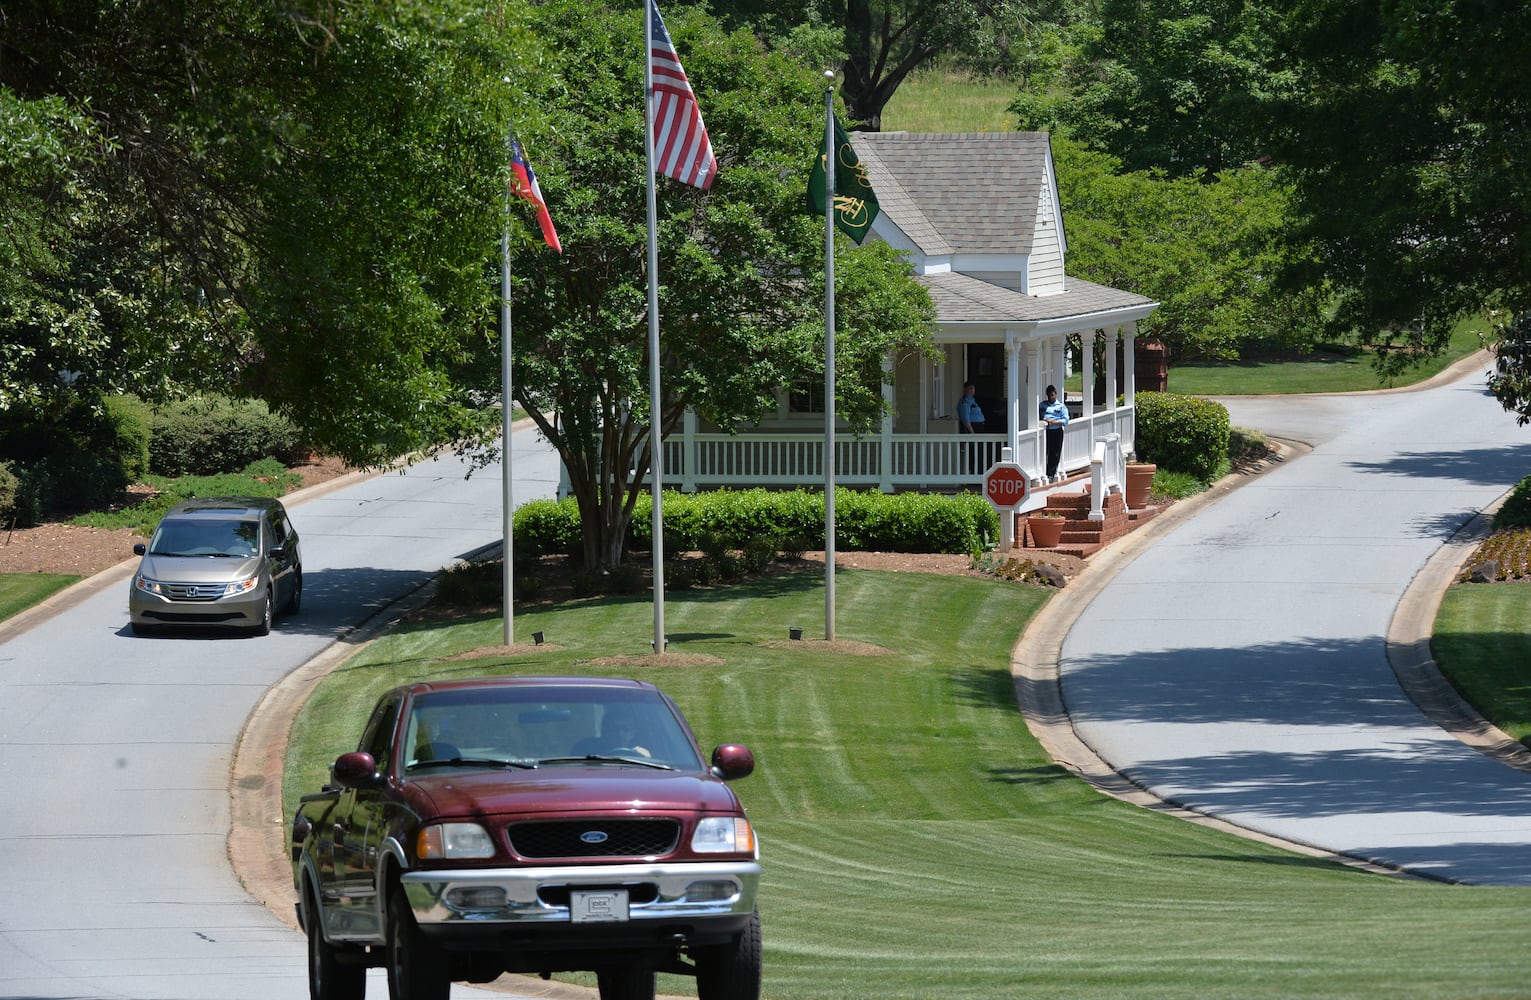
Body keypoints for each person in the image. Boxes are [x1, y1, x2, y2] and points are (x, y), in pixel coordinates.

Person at [1039, 384, 1069, 482]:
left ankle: (1051, 474)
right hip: (1046, 431)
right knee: (1044, 452)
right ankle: (1043, 471)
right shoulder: (1043, 405)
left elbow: (1065, 421)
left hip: (1056, 431)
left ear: (1055, 394)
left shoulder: (1061, 406)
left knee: (1055, 453)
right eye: (1049, 395)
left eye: (1052, 395)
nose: (1051, 397)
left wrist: (1053, 422)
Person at [956, 382, 986, 474]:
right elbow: (965, 419)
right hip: (972, 428)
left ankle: (979, 473)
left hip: (979, 427)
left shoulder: (972, 400)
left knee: (980, 452)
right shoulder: (965, 402)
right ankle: (973, 474)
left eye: (973, 389)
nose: (972, 391)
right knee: (973, 452)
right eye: (970, 389)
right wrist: (972, 432)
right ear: (965, 389)